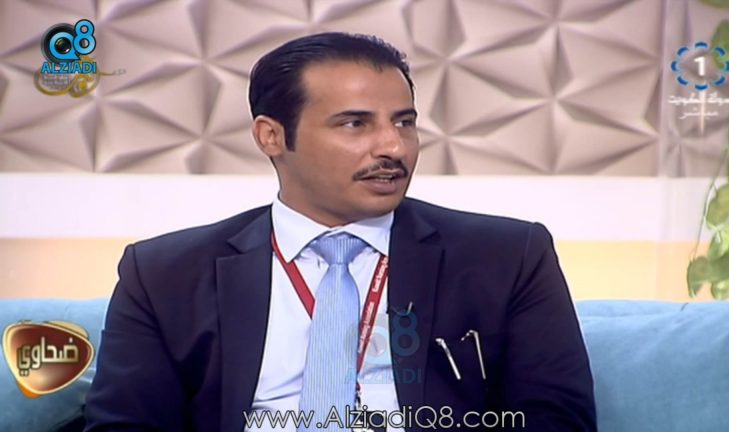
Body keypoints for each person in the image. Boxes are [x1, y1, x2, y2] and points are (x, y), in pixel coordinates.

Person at [85, 32, 596, 432]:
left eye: (404, 122)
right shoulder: (164, 274)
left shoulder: (507, 257)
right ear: (271, 136)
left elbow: (556, 420)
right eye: (355, 124)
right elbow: (125, 424)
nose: (392, 147)